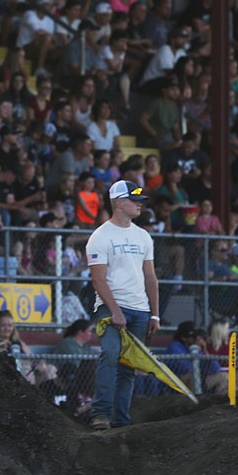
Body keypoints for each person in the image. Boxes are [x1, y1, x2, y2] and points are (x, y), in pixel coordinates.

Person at [87, 180, 159, 430]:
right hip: (110, 307)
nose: (140, 204)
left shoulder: (143, 236)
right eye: (134, 200)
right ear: (119, 202)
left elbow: (150, 277)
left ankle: (120, 420)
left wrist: (155, 315)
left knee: (128, 366)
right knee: (109, 354)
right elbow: (98, 280)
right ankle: (101, 414)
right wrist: (116, 311)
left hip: (139, 309)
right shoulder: (100, 236)